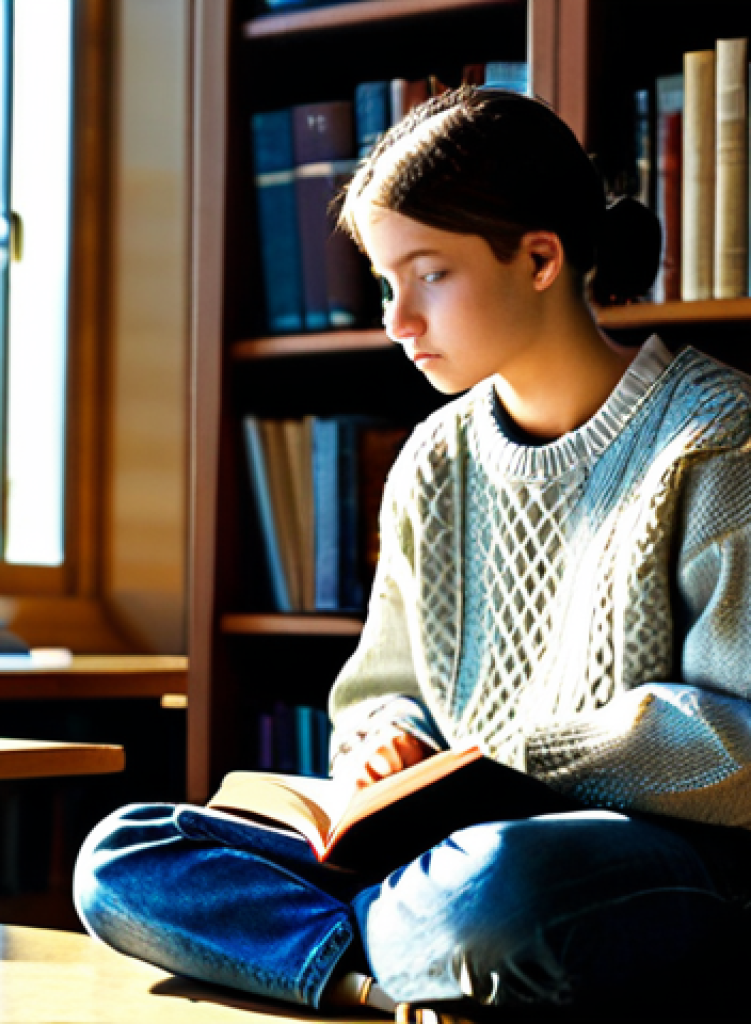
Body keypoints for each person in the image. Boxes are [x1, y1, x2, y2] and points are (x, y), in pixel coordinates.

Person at [73, 86, 751, 1019]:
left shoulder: (719, 440)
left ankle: (348, 943)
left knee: (500, 886)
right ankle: (387, 971)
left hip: (629, 857)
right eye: (387, 284)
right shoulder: (436, 458)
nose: (398, 319)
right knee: (124, 854)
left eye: (428, 275)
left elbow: (740, 744)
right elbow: (380, 688)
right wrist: (381, 741)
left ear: (541, 258)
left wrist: (519, 754)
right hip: (445, 851)